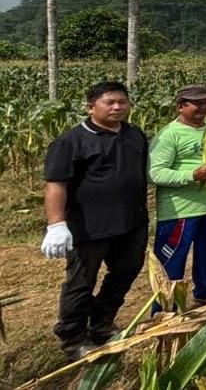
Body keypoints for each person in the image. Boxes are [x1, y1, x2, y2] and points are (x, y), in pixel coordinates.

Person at [42, 81, 148, 360]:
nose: (117, 107)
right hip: (90, 227)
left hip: (131, 223)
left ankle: (102, 324)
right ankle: (73, 337)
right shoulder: (71, 141)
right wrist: (56, 224)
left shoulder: (135, 135)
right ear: (91, 107)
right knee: (81, 282)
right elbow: (56, 184)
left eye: (122, 102)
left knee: (125, 273)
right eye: (109, 102)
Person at [149, 85, 206, 305]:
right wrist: (191, 175)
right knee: (172, 260)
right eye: (198, 103)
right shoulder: (168, 135)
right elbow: (154, 173)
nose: (204, 107)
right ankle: (166, 307)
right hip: (181, 210)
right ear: (180, 107)